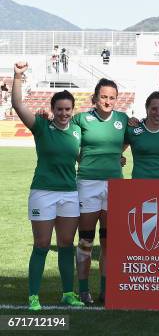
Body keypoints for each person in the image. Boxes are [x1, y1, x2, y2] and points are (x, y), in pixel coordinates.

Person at [11, 62, 84, 310]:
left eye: (68, 109)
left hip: (70, 194)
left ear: (73, 110)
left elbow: (86, 155)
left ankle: (67, 293)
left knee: (66, 244)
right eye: (60, 109)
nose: (64, 113)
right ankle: (33, 296)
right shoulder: (41, 127)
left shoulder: (78, 131)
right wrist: (18, 76)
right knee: (42, 244)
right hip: (43, 193)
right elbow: (18, 105)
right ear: (52, 109)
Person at [72, 78, 128, 305]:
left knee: (109, 242)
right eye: (103, 97)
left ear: (116, 99)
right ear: (95, 99)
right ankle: (84, 290)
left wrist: (117, 155)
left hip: (114, 185)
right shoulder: (81, 118)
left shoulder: (123, 120)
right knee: (86, 240)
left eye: (111, 97)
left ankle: (106, 290)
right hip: (87, 183)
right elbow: (70, 142)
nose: (107, 101)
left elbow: (128, 141)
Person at [124, 92, 159, 179]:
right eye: (154, 109)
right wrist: (120, 157)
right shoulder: (132, 129)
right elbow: (117, 151)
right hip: (139, 184)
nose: (157, 113)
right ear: (146, 107)